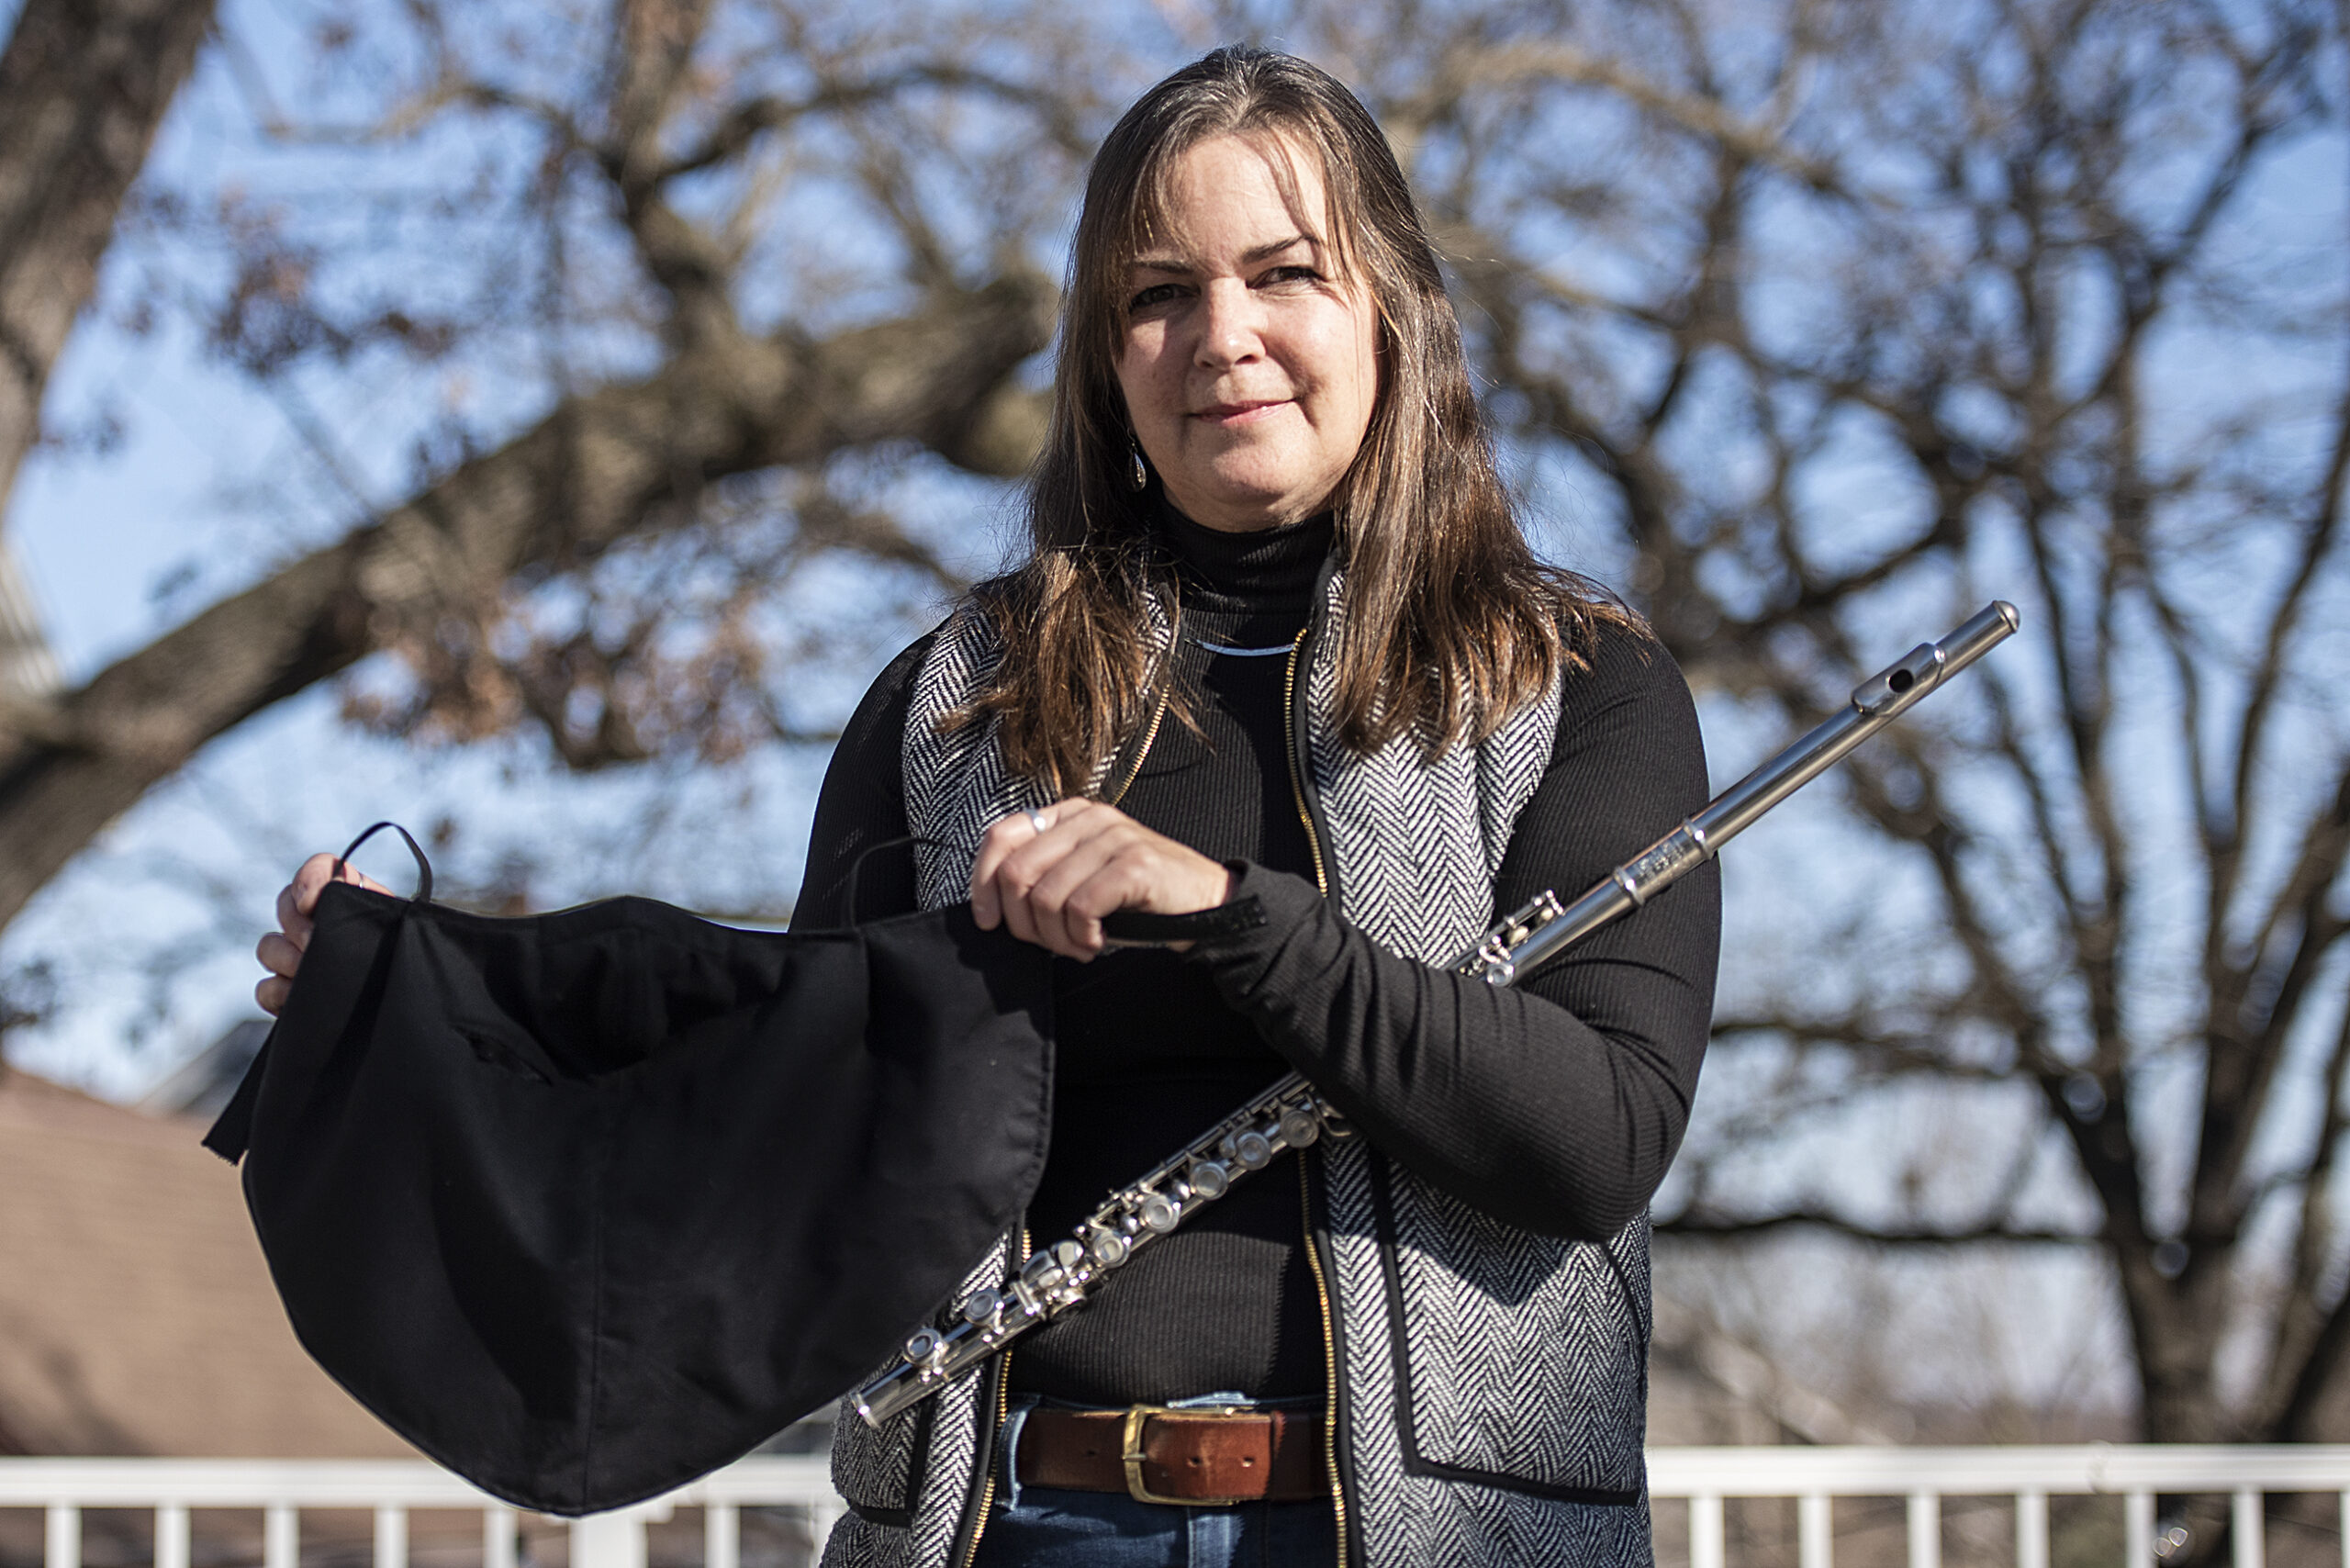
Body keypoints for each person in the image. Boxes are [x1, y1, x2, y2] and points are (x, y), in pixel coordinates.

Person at [259, 44, 1718, 1568]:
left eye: (1285, 272)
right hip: (1009, 1527)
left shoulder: (1567, 681)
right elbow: (775, 1097)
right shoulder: (956, 697)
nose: (1223, 338)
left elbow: (1595, 1137)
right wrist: (424, 1007)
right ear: (1102, 356)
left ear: (1391, 310)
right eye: (1157, 295)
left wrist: (1236, 922)